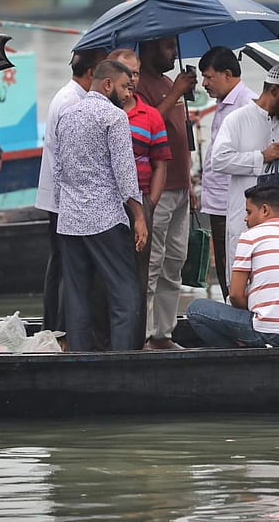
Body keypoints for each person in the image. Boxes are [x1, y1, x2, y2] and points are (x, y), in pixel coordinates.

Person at [52, 59, 148, 352]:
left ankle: (80, 360)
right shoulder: (114, 117)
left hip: (69, 220)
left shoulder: (67, 115)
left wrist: (66, 205)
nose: (128, 93)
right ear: (107, 85)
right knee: (124, 295)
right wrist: (139, 216)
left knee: (77, 297)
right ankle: (121, 362)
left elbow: (58, 170)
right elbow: (125, 172)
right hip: (105, 218)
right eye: (124, 87)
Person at [209, 64, 279, 268]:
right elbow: (218, 160)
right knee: (241, 285)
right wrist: (261, 157)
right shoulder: (237, 120)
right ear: (275, 91)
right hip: (244, 221)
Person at [187, 184, 279, 348]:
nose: (245, 218)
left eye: (248, 212)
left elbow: (235, 294)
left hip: (270, 333)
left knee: (196, 309)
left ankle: (236, 355)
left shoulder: (251, 236)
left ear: (264, 210)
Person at [34, 47, 106, 332]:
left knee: (61, 267)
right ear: (91, 72)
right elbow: (69, 157)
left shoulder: (75, 97)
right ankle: (59, 329)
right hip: (64, 199)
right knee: (66, 269)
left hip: (63, 197)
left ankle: (55, 326)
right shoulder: (70, 102)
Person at [135, 36, 198, 350]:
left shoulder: (168, 83)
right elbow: (146, 127)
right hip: (155, 191)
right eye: (167, 47)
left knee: (174, 262)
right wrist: (176, 92)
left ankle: (164, 333)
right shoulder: (138, 85)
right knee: (151, 264)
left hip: (180, 187)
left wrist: (190, 184)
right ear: (149, 48)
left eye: (174, 47)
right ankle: (143, 334)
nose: (173, 52)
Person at [110, 47, 170, 346]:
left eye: (135, 73)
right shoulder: (101, 112)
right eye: (125, 73)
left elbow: (160, 163)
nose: (131, 79)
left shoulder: (150, 116)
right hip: (105, 206)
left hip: (141, 204)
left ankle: (136, 342)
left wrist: (150, 204)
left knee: (140, 277)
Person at [198, 45, 258, 299]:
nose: (204, 83)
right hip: (216, 199)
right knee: (223, 264)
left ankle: (242, 320)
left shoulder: (247, 105)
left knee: (238, 264)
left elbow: (253, 158)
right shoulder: (223, 103)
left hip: (233, 201)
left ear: (227, 74)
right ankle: (229, 313)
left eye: (209, 77)